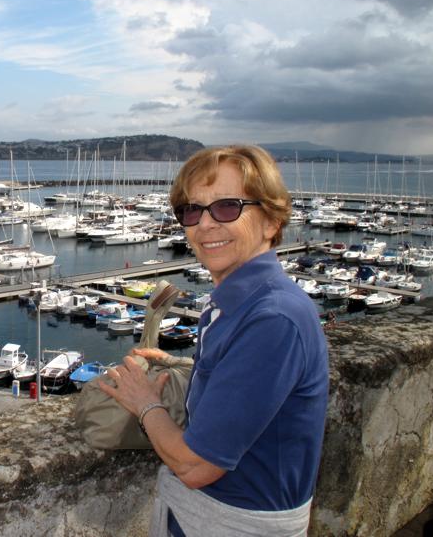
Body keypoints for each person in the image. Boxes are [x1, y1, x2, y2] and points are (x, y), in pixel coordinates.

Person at [99, 145, 329, 536]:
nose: (204, 224)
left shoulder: (272, 318)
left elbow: (195, 466)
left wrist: (145, 403)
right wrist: (182, 366)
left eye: (226, 207)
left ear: (271, 221)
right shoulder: (236, 302)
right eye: (192, 210)